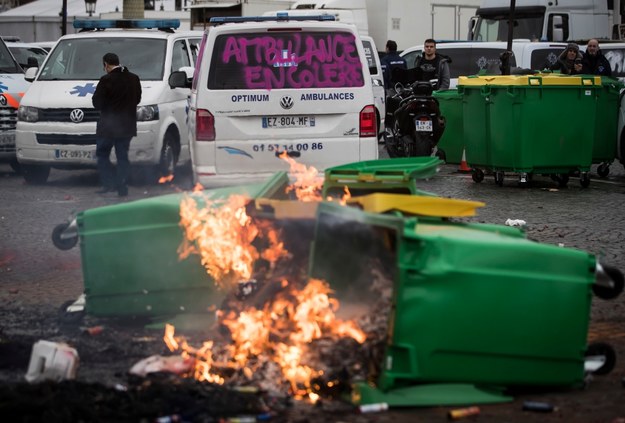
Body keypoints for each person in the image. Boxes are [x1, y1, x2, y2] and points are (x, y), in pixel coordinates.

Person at [92, 52, 142, 197]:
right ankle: (122, 187)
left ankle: (108, 184)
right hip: (127, 126)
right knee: (122, 156)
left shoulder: (106, 80)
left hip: (108, 126)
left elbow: (97, 103)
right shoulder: (134, 78)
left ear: (106, 64)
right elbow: (137, 99)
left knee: (102, 154)